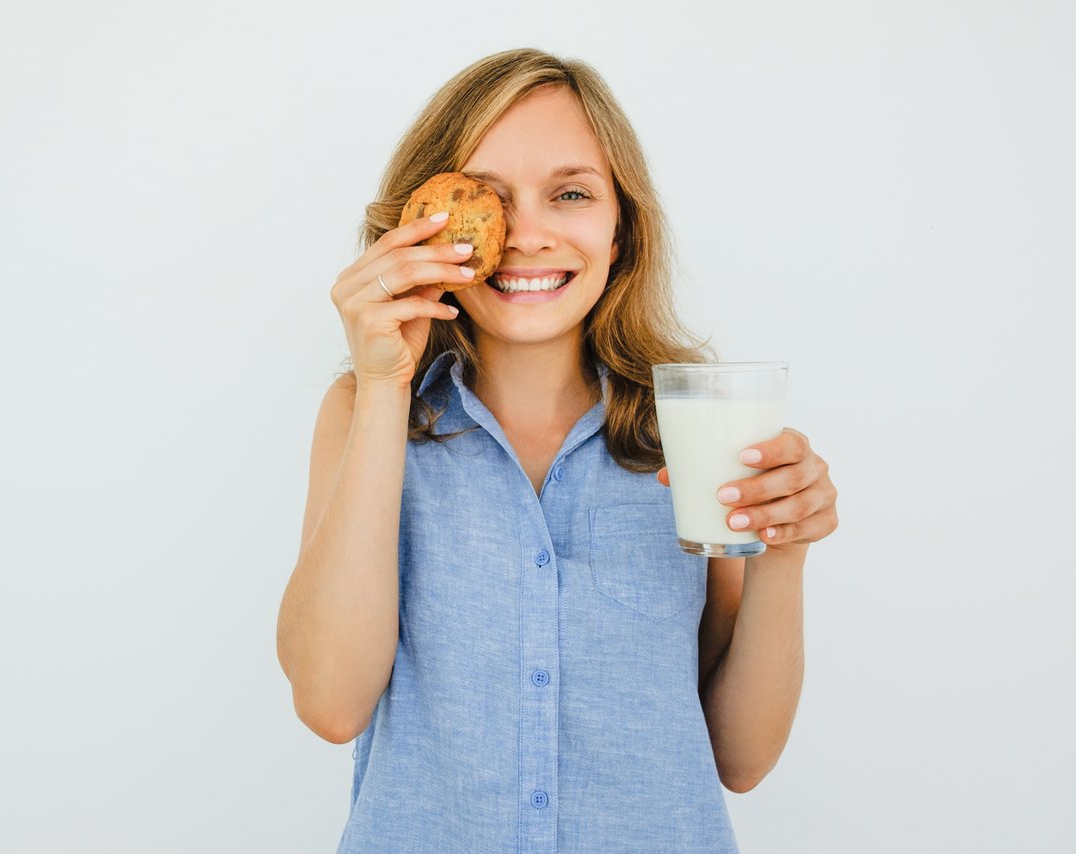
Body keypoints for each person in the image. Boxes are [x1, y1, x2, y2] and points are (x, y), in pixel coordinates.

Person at [276, 48, 838, 853]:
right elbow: (330, 704)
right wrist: (385, 382)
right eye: (490, 199)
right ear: (418, 229)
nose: (527, 235)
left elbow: (742, 758)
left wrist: (784, 554)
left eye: (570, 193)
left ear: (622, 232)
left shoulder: (690, 425)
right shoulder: (370, 412)